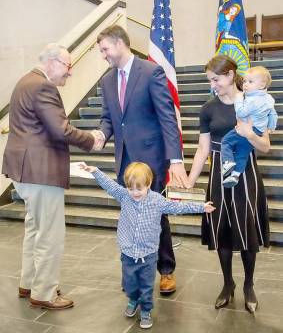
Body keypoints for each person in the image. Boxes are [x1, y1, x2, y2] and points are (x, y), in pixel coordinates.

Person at [2, 43, 100, 310]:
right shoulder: (43, 86)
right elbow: (61, 130)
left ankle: (29, 281)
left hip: (24, 170)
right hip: (40, 172)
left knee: (35, 229)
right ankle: (44, 292)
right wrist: (91, 140)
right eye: (68, 67)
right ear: (53, 63)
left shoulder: (25, 81)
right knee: (49, 234)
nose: (69, 73)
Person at [93, 25, 189, 295]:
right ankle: (135, 267)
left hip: (151, 160)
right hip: (125, 162)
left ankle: (166, 271)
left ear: (120, 43)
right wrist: (101, 133)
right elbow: (108, 117)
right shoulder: (107, 81)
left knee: (155, 216)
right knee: (130, 218)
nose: (103, 55)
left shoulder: (150, 72)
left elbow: (167, 117)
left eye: (105, 49)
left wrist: (175, 159)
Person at [80, 161, 215, 329]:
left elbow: (178, 206)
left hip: (149, 254)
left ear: (149, 184)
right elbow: (110, 185)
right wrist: (95, 170)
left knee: (146, 285)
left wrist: (201, 207)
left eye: (139, 189)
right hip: (128, 251)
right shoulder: (124, 196)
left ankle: (145, 310)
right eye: (131, 189)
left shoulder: (157, 200)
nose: (135, 193)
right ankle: (133, 299)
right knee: (129, 283)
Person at [187, 55, 270, 314]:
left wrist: (248, 134)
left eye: (216, 79)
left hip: (246, 171)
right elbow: (202, 150)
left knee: (247, 228)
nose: (213, 85)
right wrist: (189, 181)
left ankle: (248, 285)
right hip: (218, 173)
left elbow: (265, 146)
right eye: (210, 80)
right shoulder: (208, 109)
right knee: (221, 229)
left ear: (231, 75)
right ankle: (227, 283)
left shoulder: (252, 103)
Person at [222, 66, 278, 187]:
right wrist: (271, 126)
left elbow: (242, 113)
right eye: (245, 81)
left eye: (250, 82)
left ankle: (228, 162)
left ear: (262, 86)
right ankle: (235, 175)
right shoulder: (268, 98)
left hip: (246, 129)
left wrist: (238, 100)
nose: (246, 84)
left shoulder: (253, 100)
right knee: (242, 153)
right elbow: (272, 113)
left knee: (226, 141)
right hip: (258, 131)